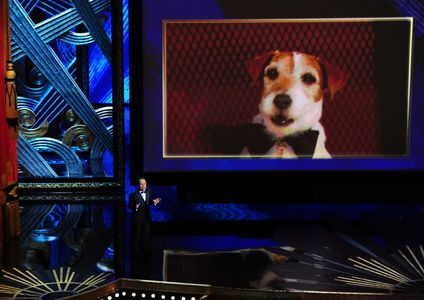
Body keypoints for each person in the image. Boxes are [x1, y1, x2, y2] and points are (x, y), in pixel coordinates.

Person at [128, 177, 161, 278]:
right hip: (138, 219)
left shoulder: (149, 191)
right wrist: (135, 207)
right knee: (137, 236)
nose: (143, 186)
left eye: (144, 184)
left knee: (146, 236)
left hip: (147, 218)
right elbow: (130, 206)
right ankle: (136, 254)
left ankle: (146, 251)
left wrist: (154, 201)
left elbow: (147, 202)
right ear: (138, 185)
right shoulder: (133, 195)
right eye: (141, 184)